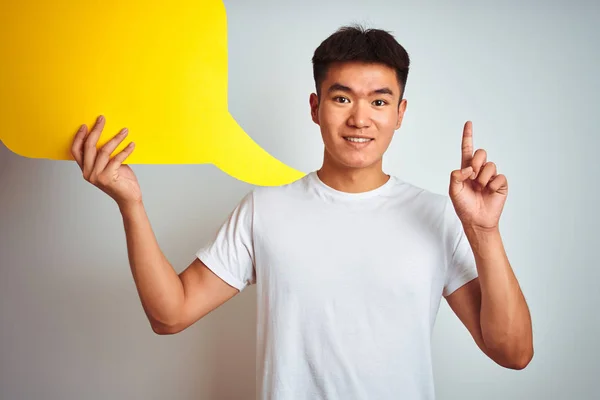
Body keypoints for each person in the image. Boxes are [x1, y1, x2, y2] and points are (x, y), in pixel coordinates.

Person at [71, 25, 533, 399]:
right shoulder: (264, 210)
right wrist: (130, 202)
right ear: (315, 107)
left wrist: (482, 230)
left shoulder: (438, 216)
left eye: (379, 101)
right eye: (341, 97)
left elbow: (513, 352)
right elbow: (169, 314)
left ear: (400, 113)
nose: (360, 118)